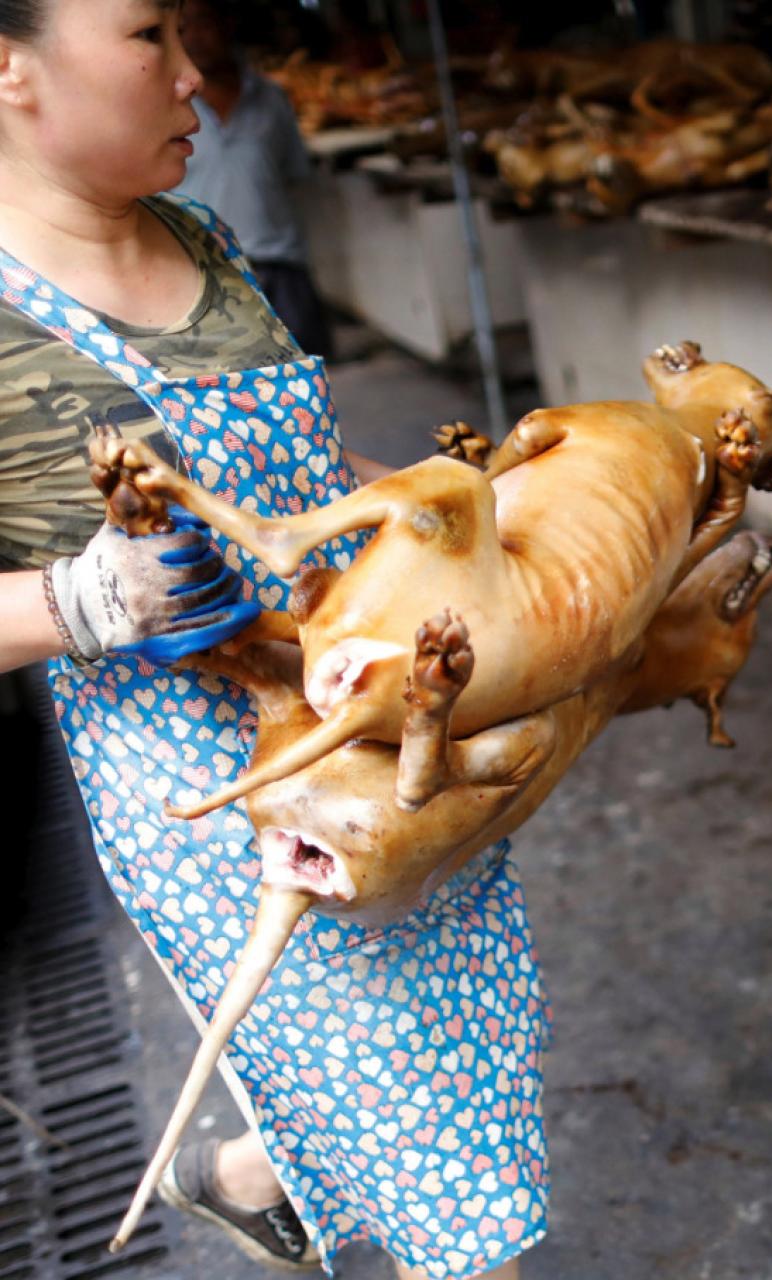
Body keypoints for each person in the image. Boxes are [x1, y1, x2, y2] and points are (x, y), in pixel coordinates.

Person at [0, 3, 550, 1278]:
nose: (197, 76)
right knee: (444, 1155)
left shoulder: (197, 229)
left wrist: (471, 508)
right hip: (239, 798)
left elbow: (305, 472)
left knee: (468, 1050)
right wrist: (88, 601)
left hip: (392, 719)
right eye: (147, 36)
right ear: (10, 66)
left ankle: (254, 1173)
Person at [174, 0, 333, 359]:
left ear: (228, 24)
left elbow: (295, 176)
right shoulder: (168, 110)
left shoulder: (272, 98)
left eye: (204, 24)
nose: (194, 38)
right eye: (183, 29)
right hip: (207, 272)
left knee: (308, 378)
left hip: (281, 264)